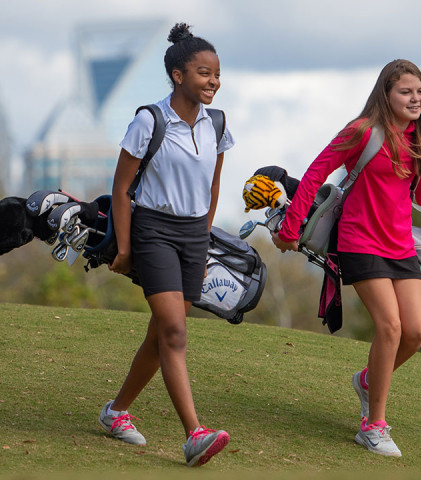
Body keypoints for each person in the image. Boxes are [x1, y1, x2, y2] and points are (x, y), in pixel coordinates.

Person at [271, 59, 421, 457]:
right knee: (390, 328)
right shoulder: (361, 132)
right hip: (359, 242)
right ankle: (373, 426)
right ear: (386, 94)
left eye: (419, 92)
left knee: (416, 331)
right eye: (406, 91)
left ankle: (368, 381)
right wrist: (291, 226)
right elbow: (316, 173)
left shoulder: (419, 139)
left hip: (402, 247)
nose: (414, 98)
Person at [99, 22, 234, 467]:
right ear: (178, 76)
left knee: (161, 335)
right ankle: (194, 434)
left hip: (195, 236)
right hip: (153, 231)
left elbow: (213, 185)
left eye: (215, 73)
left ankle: (116, 411)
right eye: (202, 72)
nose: (213, 81)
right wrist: (124, 246)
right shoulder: (149, 121)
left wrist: (205, 236)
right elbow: (121, 189)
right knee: (175, 331)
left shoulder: (217, 122)